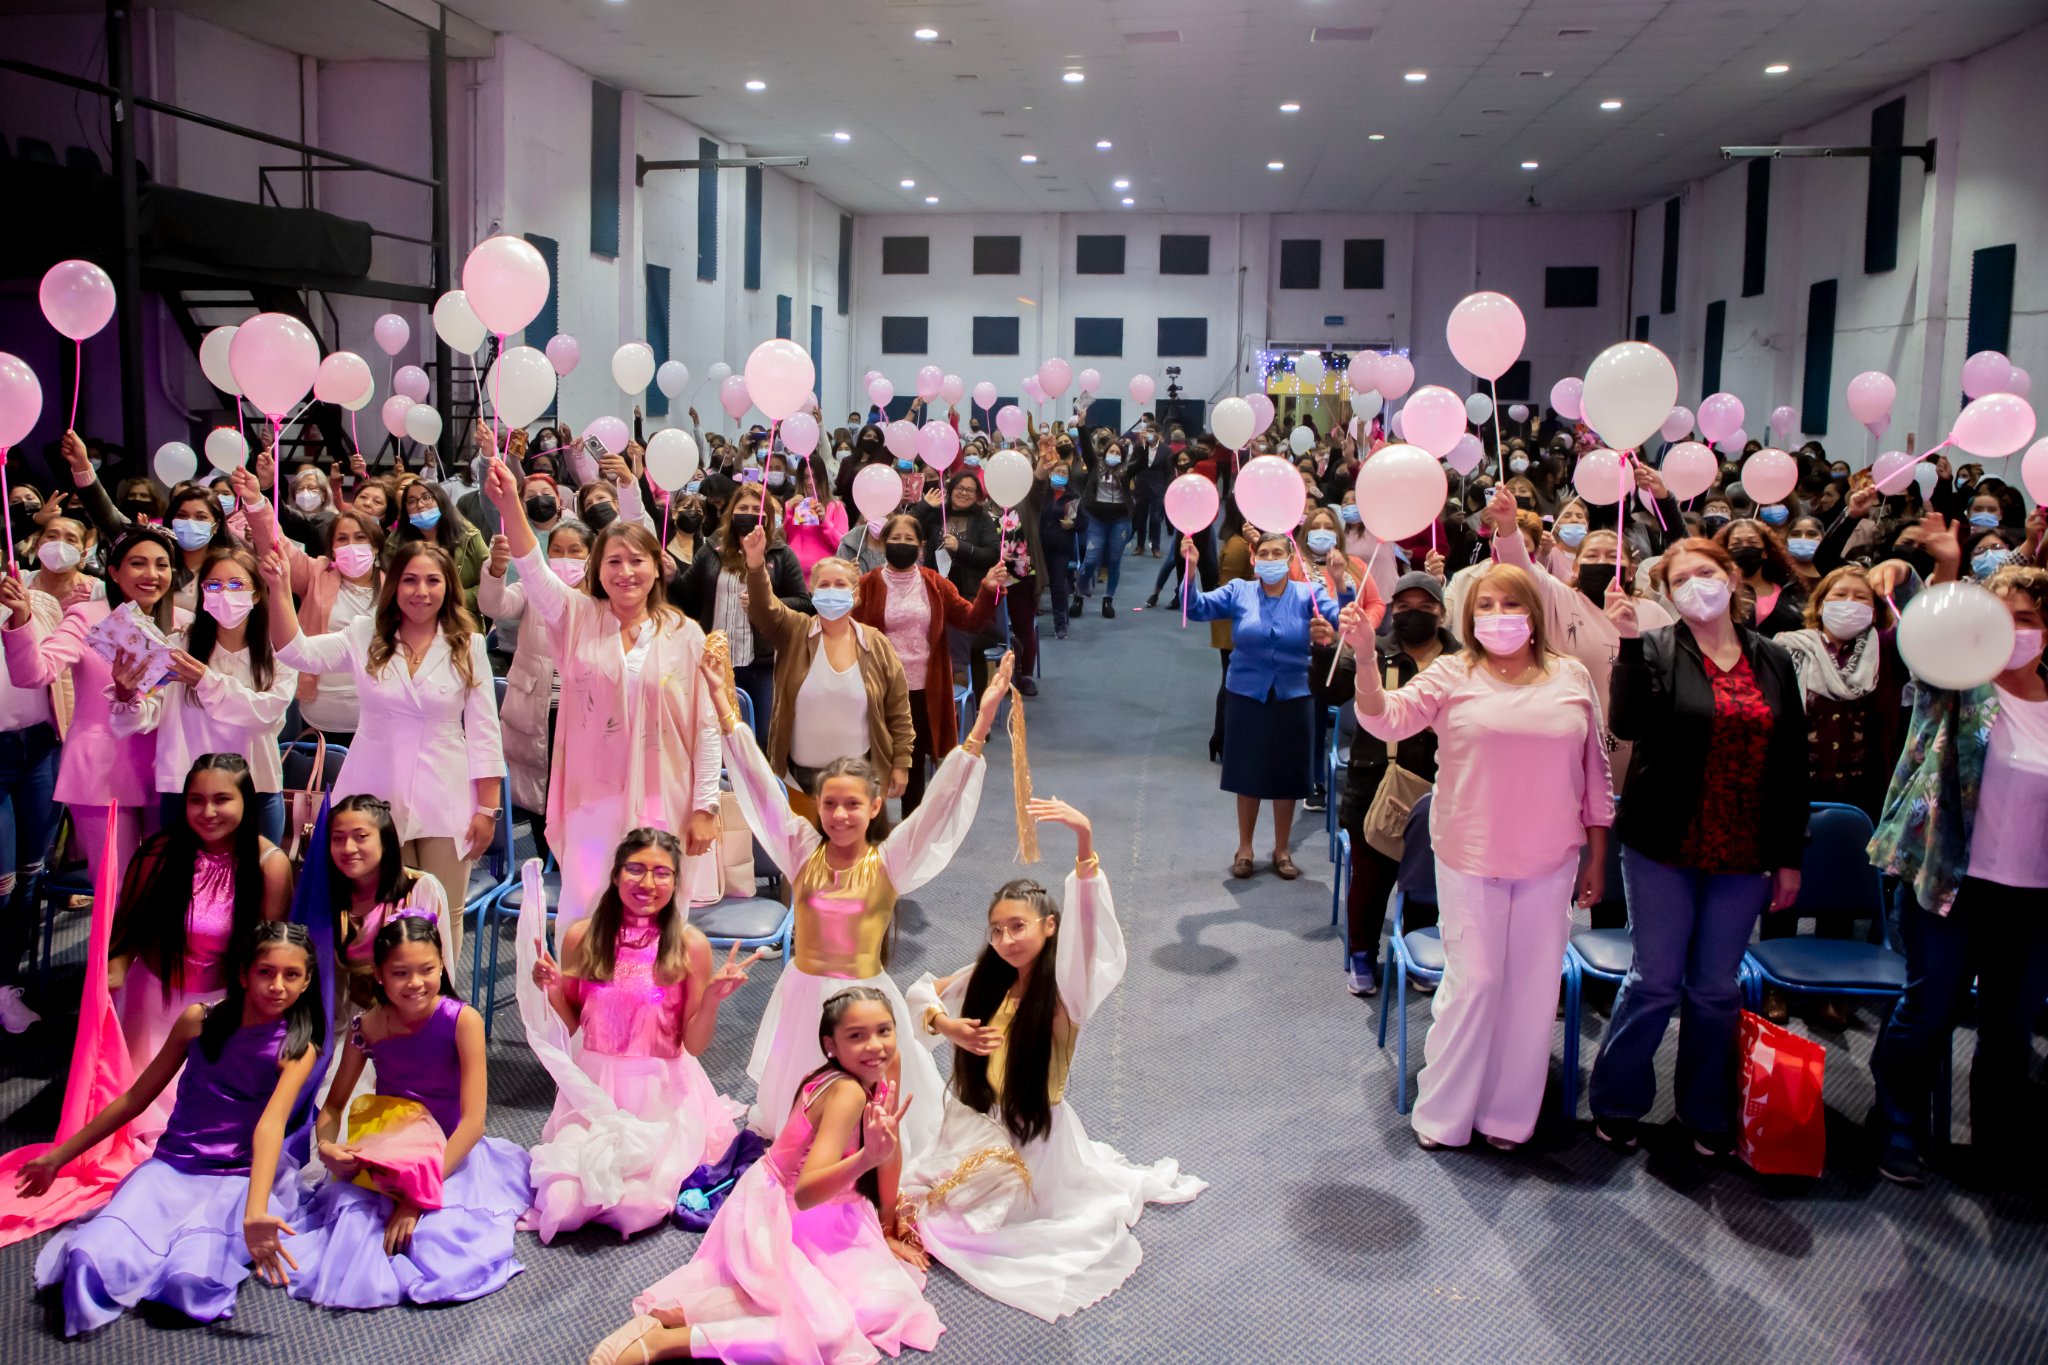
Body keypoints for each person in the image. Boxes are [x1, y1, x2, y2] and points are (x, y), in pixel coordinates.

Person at [902, 799, 1203, 1320]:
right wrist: (947, 1025)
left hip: (1034, 1136)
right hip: (981, 1122)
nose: (1005, 940)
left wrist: (1085, 844)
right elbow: (921, 991)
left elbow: (1089, 937)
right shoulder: (988, 976)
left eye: (1018, 927)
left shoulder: (1068, 992)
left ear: (1049, 926)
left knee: (972, 1227)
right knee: (926, 1200)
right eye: (997, 930)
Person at [1345, 563, 1612, 1150]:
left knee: (1534, 987)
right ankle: (1444, 1112)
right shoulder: (1452, 672)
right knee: (1477, 982)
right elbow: (1383, 716)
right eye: (1485, 606)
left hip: (1552, 858)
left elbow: (1595, 772)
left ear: (1534, 617)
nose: (1498, 616)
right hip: (1469, 852)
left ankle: (1508, 1117)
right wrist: (1366, 656)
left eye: (1510, 605)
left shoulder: (1571, 677)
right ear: (1469, 618)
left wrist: (1597, 853)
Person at [709, 650, 1009, 1161]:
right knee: (798, 1124)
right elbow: (762, 792)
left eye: (852, 804)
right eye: (829, 804)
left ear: (874, 807)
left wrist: (979, 723)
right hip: (804, 995)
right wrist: (723, 706)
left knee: (878, 1120)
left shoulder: (890, 860)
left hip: (865, 1002)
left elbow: (936, 808)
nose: (840, 815)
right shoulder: (801, 849)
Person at [1588, 538, 1808, 1156]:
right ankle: (1618, 1102)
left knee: (1715, 988)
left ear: (1732, 576)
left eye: (1705, 573)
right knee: (1655, 981)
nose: (1695, 587)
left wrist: (1790, 852)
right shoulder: (1656, 649)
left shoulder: (1772, 659)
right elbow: (1627, 726)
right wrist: (1628, 644)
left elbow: (1792, 761)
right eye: (1680, 580)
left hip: (1745, 846)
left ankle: (1705, 1111)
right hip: (1664, 840)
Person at [591, 988, 938, 1365]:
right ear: (830, 1046)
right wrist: (867, 1158)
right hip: (780, 1215)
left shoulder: (889, 1064)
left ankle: (688, 1313)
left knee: (882, 1305)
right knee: (828, 1330)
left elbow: (888, 1147)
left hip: (836, 1214)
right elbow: (806, 1192)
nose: (876, 1046)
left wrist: (886, 1225)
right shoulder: (846, 1094)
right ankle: (666, 1341)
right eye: (857, 1035)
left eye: (884, 1031)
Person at [20, 921, 323, 1337]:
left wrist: (256, 1211)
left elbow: (269, 1127)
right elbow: (134, 1098)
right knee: (90, 1260)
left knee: (188, 1285)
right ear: (243, 974)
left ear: (307, 982)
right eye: (265, 972)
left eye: (292, 975)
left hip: (236, 1177)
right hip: (172, 1167)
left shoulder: (297, 1048)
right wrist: (59, 1155)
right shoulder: (199, 1019)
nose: (277, 986)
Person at [482, 446, 723, 924]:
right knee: (589, 917)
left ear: (657, 567)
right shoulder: (575, 616)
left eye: (636, 561)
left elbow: (707, 726)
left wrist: (706, 806)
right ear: (598, 570)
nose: (625, 572)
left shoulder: (685, 633)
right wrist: (511, 505)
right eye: (613, 562)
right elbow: (531, 569)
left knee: (657, 925)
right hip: (593, 796)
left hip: (665, 797)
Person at [1868, 554, 2048, 1189]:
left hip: (2033, 899)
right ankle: (1895, 1127)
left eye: (2027, 620)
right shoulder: (1962, 686)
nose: (2014, 631)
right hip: (1951, 882)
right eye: (2002, 618)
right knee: (1930, 1009)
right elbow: (1923, 631)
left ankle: (1996, 1144)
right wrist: (1935, 569)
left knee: (2009, 1029)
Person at [266, 518, 504, 960]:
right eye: (410, 580)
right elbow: (294, 651)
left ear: (448, 588)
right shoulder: (364, 635)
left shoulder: (468, 644)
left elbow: (486, 730)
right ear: (394, 585)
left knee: (442, 912)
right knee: (376, 913)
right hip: (374, 787)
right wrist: (279, 589)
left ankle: (443, 1013)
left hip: (447, 791)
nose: (421, 591)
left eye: (433, 581)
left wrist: (488, 808)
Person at [524, 829, 757, 1240]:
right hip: (597, 1088)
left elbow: (694, 1044)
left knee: (635, 1208)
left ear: (675, 882)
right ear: (615, 876)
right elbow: (576, 1022)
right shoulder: (583, 936)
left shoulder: (689, 945)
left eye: (661, 873)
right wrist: (554, 989)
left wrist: (714, 1000)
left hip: (661, 1093)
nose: (647, 884)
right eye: (635, 869)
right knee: (560, 1203)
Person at [288, 916, 531, 1308]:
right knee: (354, 1232)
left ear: (442, 966)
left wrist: (417, 1197)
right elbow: (332, 1106)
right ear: (380, 976)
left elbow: (472, 1123)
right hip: (389, 1150)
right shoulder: (365, 1026)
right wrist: (327, 1144)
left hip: (450, 1154)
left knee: (441, 1245)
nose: (415, 983)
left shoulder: (461, 1021)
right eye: (400, 973)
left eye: (427, 970)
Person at [107, 753, 293, 1145]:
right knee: (133, 1129)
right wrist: (108, 981)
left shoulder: (269, 866)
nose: (207, 811)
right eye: (196, 800)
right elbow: (126, 932)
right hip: (152, 1005)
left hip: (221, 1013)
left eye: (222, 799)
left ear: (246, 801)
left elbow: (273, 959)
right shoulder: (158, 852)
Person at [4, 525, 180, 894]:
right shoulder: (88, 615)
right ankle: (113, 955)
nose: (151, 574)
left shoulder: (185, 623)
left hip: (168, 771)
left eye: (161, 565)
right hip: (101, 774)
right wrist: (21, 620)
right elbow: (34, 673)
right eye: (138, 563)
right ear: (113, 571)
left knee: (162, 891)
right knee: (116, 892)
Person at [1182, 529, 1367, 880]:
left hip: (1294, 693)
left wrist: (1341, 579)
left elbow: (1345, 619)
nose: (1270, 559)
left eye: (1276, 553)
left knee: (1288, 775)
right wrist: (1191, 572)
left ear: (1289, 558)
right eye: (1263, 553)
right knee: (1246, 772)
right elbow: (1196, 608)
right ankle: (1245, 847)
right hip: (1245, 693)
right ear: (1254, 558)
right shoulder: (1240, 590)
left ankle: (1282, 849)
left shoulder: (1306, 592)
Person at [1312, 571, 1455, 996]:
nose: (1415, 614)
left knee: (1427, 881)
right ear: (1392, 610)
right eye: (1405, 607)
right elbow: (1331, 691)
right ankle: (1361, 954)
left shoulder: (1461, 658)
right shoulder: (1376, 651)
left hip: (1441, 789)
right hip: (1375, 785)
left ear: (1441, 613)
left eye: (1425, 607)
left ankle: (1419, 952)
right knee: (1372, 880)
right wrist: (1325, 651)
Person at [1485, 486, 1674, 790]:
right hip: (1570, 744)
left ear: (1631, 569)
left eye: (1613, 557)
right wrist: (1507, 526)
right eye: (1593, 555)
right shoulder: (1558, 598)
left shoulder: (1655, 615)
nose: (1602, 561)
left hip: (1640, 753)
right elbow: (1520, 567)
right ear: (1574, 566)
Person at [111, 545, 296, 846]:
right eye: (213, 585)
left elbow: (266, 714)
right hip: (186, 789)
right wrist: (125, 694)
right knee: (182, 886)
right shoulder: (178, 646)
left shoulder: (279, 651)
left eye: (236, 585)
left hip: (257, 786)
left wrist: (204, 680)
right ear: (202, 594)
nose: (224, 594)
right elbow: (144, 716)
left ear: (257, 594)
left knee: (258, 884)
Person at [740, 532, 915, 811]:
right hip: (799, 779)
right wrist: (755, 562)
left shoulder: (876, 643)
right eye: (824, 585)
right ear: (813, 592)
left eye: (840, 584)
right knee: (802, 853)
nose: (832, 590)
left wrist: (902, 762)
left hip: (858, 779)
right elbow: (764, 609)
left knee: (851, 852)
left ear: (855, 594)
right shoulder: (795, 631)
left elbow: (898, 709)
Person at [853, 512, 1007, 812]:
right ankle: (873, 838)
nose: (902, 544)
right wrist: (842, 594)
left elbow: (971, 620)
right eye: (895, 539)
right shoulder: (867, 584)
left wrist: (988, 590)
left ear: (921, 547)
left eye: (909, 539)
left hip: (924, 689)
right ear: (883, 544)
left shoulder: (935, 583)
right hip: (879, 691)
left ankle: (911, 839)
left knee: (915, 765)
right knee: (874, 766)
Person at [671, 480, 810, 737]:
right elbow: (687, 598)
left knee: (762, 736)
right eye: (742, 507)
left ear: (767, 518)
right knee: (716, 734)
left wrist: (770, 602)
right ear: (731, 514)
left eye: (756, 509)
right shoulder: (711, 550)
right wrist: (670, 576)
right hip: (715, 663)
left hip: (762, 665)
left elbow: (804, 602)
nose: (748, 513)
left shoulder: (781, 554)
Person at [247, 490, 385, 748]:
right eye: (342, 539)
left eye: (360, 538)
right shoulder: (315, 574)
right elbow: (278, 547)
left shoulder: (395, 589)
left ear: (375, 546)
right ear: (332, 547)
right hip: (317, 715)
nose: (351, 546)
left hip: (378, 716)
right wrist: (256, 501)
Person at [481, 520, 589, 820]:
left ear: (591, 555)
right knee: (541, 793)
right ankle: (542, 858)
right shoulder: (532, 588)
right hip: (537, 707)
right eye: (557, 550)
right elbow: (495, 605)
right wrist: (496, 570)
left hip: (582, 712)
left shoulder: (604, 594)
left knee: (579, 794)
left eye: (574, 550)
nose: (564, 557)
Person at [0, 566, 64, 1028]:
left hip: (42, 748)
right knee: (0, 882)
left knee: (29, 875)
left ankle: (6, 983)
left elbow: (53, 672)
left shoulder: (41, 603)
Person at [325, 793, 453, 1013]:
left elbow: (440, 970)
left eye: (361, 836)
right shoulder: (327, 893)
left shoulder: (419, 889)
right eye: (338, 838)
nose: (348, 848)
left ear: (385, 841)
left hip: (414, 1011)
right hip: (352, 1017)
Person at [395, 478, 489, 616]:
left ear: (441, 500)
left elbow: (491, 585)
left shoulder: (469, 537)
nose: (420, 505)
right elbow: (390, 587)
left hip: (460, 617)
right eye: (411, 501)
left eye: (426, 497)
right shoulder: (396, 542)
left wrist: (452, 599)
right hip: (412, 616)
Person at [1071, 429, 1138, 618]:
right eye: (1111, 451)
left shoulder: (1126, 470)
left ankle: (1108, 599)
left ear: (1122, 456)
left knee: (1114, 560)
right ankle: (1079, 595)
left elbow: (1141, 463)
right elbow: (1085, 446)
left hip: (1120, 520)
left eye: (1118, 453)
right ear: (1105, 452)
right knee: (1090, 559)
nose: (1114, 455)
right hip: (1097, 519)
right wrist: (1082, 425)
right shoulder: (1096, 465)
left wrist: (1144, 443)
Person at [1715, 517, 1804, 636]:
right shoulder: (1717, 593)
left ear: (1765, 552)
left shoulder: (1790, 591)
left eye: (1752, 543)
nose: (1744, 547)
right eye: (1736, 544)